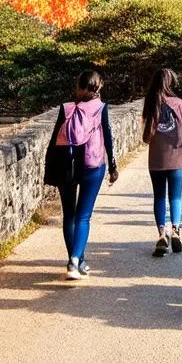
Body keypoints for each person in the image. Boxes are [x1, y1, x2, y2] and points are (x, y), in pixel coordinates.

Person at [51, 70, 118, 281]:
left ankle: (75, 261)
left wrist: (50, 169)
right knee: (83, 216)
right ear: (98, 87)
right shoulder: (101, 108)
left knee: (69, 215)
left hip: (66, 165)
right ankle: (76, 260)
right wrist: (113, 165)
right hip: (93, 164)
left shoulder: (66, 108)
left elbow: (54, 142)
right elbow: (108, 136)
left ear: (78, 87)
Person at [142, 67, 182, 257]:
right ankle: (176, 230)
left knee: (159, 196)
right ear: (171, 83)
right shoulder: (181, 104)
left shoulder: (151, 104)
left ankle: (161, 233)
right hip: (178, 157)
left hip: (156, 158)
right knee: (176, 196)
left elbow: (146, 137)